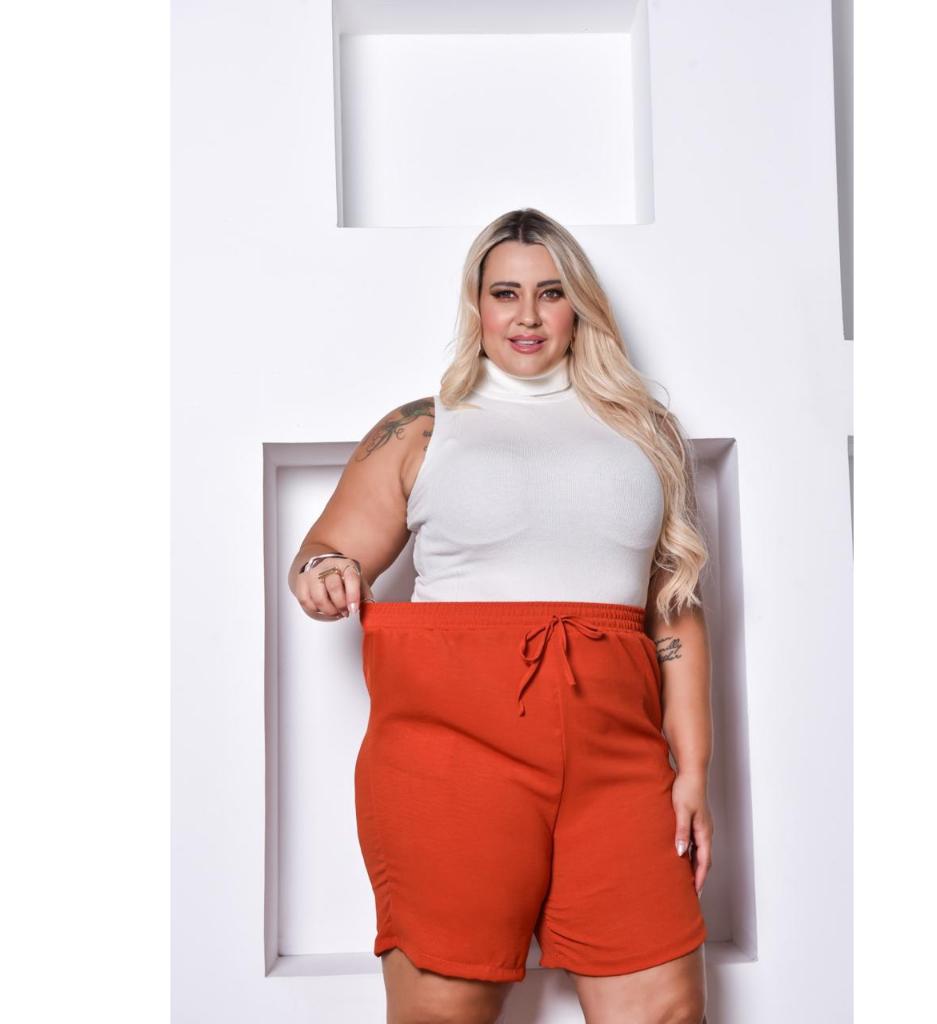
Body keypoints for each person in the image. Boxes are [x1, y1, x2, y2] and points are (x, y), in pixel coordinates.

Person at [288, 208, 714, 1024]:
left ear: (579, 305)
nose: (527, 316)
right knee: (443, 1012)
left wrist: (692, 770)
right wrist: (323, 572)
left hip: (619, 765)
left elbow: (675, 611)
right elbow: (326, 549)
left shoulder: (646, 431)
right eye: (505, 293)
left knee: (664, 1008)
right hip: (450, 760)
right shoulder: (422, 428)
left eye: (550, 293)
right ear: (476, 304)